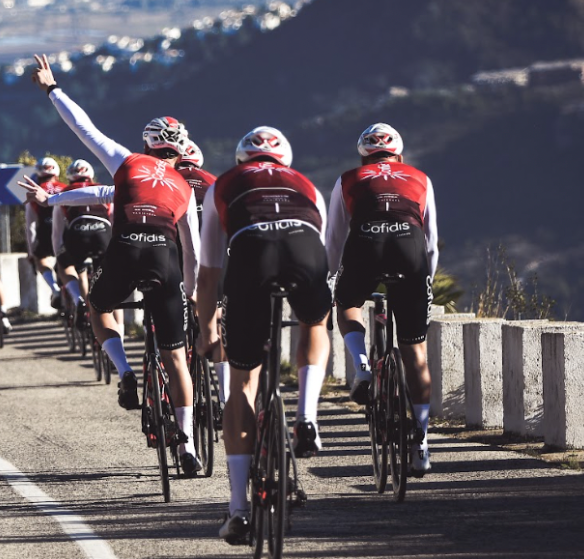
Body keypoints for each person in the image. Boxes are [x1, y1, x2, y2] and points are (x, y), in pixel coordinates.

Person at [24, 53, 204, 476]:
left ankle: (123, 371)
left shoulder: (127, 162)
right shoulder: (184, 186)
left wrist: (53, 88)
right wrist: (192, 293)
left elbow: (84, 129)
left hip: (123, 248)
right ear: (179, 152)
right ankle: (190, 444)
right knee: (177, 358)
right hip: (165, 256)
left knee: (99, 305)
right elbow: (193, 249)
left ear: (148, 145)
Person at [191, 127, 331, 544]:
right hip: (304, 247)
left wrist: (207, 329)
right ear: (284, 162)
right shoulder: (307, 184)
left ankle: (237, 510)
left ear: (240, 161)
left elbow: (209, 273)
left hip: (252, 258)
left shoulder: (222, 186)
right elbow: (322, 253)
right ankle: (306, 417)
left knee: (243, 383)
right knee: (314, 323)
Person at [326, 123, 438, 476]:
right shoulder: (420, 177)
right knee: (415, 353)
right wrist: (425, 279)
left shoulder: (348, 180)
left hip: (365, 248)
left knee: (347, 306)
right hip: (410, 252)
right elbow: (432, 239)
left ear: (363, 158)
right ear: (399, 156)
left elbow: (334, 238)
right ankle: (421, 446)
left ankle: (361, 365)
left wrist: (333, 278)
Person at [176, 140, 232, 415]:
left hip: (174, 258)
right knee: (216, 324)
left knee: (171, 331)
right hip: (215, 261)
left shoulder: (168, 180)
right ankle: (224, 396)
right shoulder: (213, 182)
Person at [50, 159, 112, 324]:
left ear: (70, 178)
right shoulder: (103, 190)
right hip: (103, 234)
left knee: (75, 269)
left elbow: (57, 232)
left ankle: (80, 301)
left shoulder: (63, 193)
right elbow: (113, 219)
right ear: (91, 176)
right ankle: (114, 323)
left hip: (78, 235)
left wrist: (60, 257)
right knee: (106, 274)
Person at [25, 157, 67, 308]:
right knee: (67, 262)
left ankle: (55, 289)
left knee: (41, 259)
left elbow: (30, 226)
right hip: (66, 231)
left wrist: (31, 252)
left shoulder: (35, 193)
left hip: (45, 231)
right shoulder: (66, 188)